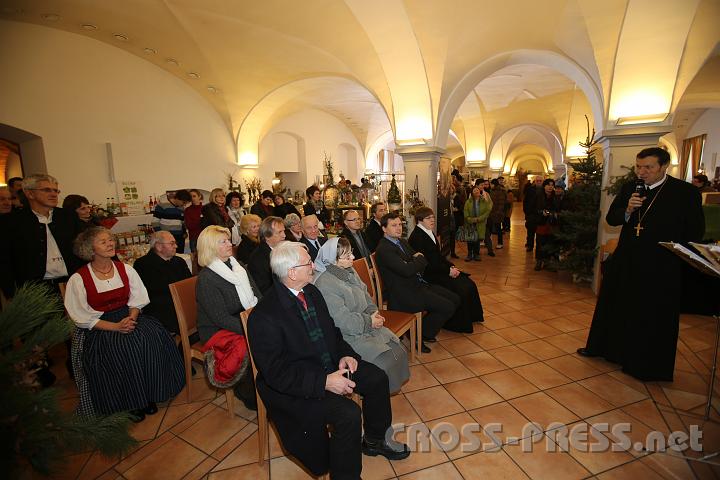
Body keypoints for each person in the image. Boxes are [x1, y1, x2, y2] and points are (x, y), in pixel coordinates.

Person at [248, 241, 410, 479]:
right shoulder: (265, 315)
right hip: (299, 383)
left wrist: (346, 354)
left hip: (328, 363)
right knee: (349, 415)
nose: (314, 265)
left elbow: (332, 331)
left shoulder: (311, 292)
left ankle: (374, 441)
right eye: (307, 262)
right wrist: (324, 381)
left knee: (376, 378)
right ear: (291, 272)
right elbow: (276, 373)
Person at [578, 147, 705, 381]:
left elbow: (695, 231)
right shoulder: (630, 189)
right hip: (627, 259)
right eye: (639, 167)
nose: (642, 172)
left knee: (649, 314)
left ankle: (644, 363)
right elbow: (611, 218)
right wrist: (627, 210)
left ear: (663, 167)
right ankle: (608, 350)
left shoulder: (684, 192)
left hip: (660, 265)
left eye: (648, 167)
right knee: (617, 305)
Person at [64, 227, 185, 420]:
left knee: (152, 337)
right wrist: (115, 327)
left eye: (110, 239)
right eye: (103, 242)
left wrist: (132, 317)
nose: (110, 243)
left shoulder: (125, 269)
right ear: (89, 248)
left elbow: (138, 298)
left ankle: (150, 393)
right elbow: (82, 316)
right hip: (100, 323)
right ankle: (129, 402)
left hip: (129, 315)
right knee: (119, 348)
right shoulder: (78, 279)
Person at [314, 237, 410, 393]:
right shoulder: (325, 284)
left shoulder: (349, 270)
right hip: (349, 336)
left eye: (350, 252)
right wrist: (369, 321)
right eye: (346, 256)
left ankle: (384, 391)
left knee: (398, 350)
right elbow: (342, 322)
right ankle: (378, 393)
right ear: (333, 260)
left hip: (365, 324)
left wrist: (374, 313)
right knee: (385, 362)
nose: (352, 257)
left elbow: (366, 296)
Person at [196, 225, 260, 410]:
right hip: (218, 330)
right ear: (210, 247)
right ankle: (249, 393)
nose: (229, 243)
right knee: (255, 343)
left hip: (243, 318)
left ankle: (271, 384)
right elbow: (220, 318)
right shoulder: (207, 278)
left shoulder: (238, 267)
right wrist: (252, 328)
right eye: (223, 241)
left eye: (228, 240)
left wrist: (265, 317)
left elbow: (258, 295)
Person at [375, 212, 459, 353]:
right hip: (404, 293)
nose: (398, 228)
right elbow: (409, 268)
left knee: (455, 299)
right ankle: (420, 334)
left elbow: (419, 259)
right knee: (448, 306)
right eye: (394, 225)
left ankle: (419, 331)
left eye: (400, 224)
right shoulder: (384, 249)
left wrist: (415, 261)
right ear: (384, 229)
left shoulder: (400, 241)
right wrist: (416, 260)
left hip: (417, 284)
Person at [1, 174, 83, 298]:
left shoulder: (68, 216)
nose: (53, 194)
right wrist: (12, 294)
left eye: (56, 190)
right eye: (46, 190)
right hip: (34, 290)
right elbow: (5, 261)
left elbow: (82, 247)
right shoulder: (12, 222)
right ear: (30, 194)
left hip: (72, 282)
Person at [408, 207, 484, 332]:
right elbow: (426, 264)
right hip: (430, 275)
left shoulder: (429, 231)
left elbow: (438, 257)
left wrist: (450, 266)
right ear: (419, 220)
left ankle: (472, 317)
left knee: (469, 284)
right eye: (428, 218)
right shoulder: (417, 237)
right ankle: (455, 324)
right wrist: (448, 271)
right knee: (461, 289)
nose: (432, 220)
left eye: (433, 217)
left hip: (438, 270)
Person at [133, 231, 192, 334]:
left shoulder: (179, 261)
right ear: (159, 246)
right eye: (172, 243)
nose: (176, 246)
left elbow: (188, 283)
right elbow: (154, 292)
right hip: (161, 308)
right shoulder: (143, 264)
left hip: (180, 302)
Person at [246, 216, 286, 294]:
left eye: (284, 231)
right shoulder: (257, 259)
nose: (284, 235)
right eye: (279, 232)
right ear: (267, 236)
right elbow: (265, 289)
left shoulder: (283, 248)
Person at [531, 179, 559, 271]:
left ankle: (547, 262)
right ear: (544, 186)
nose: (550, 187)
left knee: (550, 242)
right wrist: (541, 212)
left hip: (552, 223)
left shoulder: (555, 196)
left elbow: (558, 208)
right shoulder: (538, 195)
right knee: (540, 242)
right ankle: (539, 261)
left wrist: (554, 213)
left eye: (552, 185)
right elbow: (533, 208)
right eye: (548, 185)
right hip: (541, 222)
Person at [463, 185, 492, 262]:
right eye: (474, 190)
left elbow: (487, 211)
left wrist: (479, 219)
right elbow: (465, 212)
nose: (476, 191)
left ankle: (476, 254)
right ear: (472, 192)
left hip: (480, 223)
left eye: (477, 190)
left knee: (477, 240)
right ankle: (469, 254)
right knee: (470, 239)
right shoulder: (468, 202)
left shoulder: (484, 201)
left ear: (480, 191)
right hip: (470, 223)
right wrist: (470, 219)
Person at [523, 176, 544, 252]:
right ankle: (529, 245)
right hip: (531, 214)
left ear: (542, 181)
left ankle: (539, 247)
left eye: (540, 181)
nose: (539, 182)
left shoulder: (544, 190)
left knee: (539, 232)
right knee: (530, 232)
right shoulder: (530, 190)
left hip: (540, 215)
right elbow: (525, 202)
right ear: (535, 181)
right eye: (537, 181)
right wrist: (526, 213)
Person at [489, 179, 506, 249]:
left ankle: (500, 243)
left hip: (497, 214)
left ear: (494, 184)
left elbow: (501, 203)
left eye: (491, 184)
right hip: (491, 213)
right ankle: (488, 242)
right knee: (490, 228)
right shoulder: (492, 191)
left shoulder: (500, 191)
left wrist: (498, 212)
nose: (490, 185)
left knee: (498, 229)